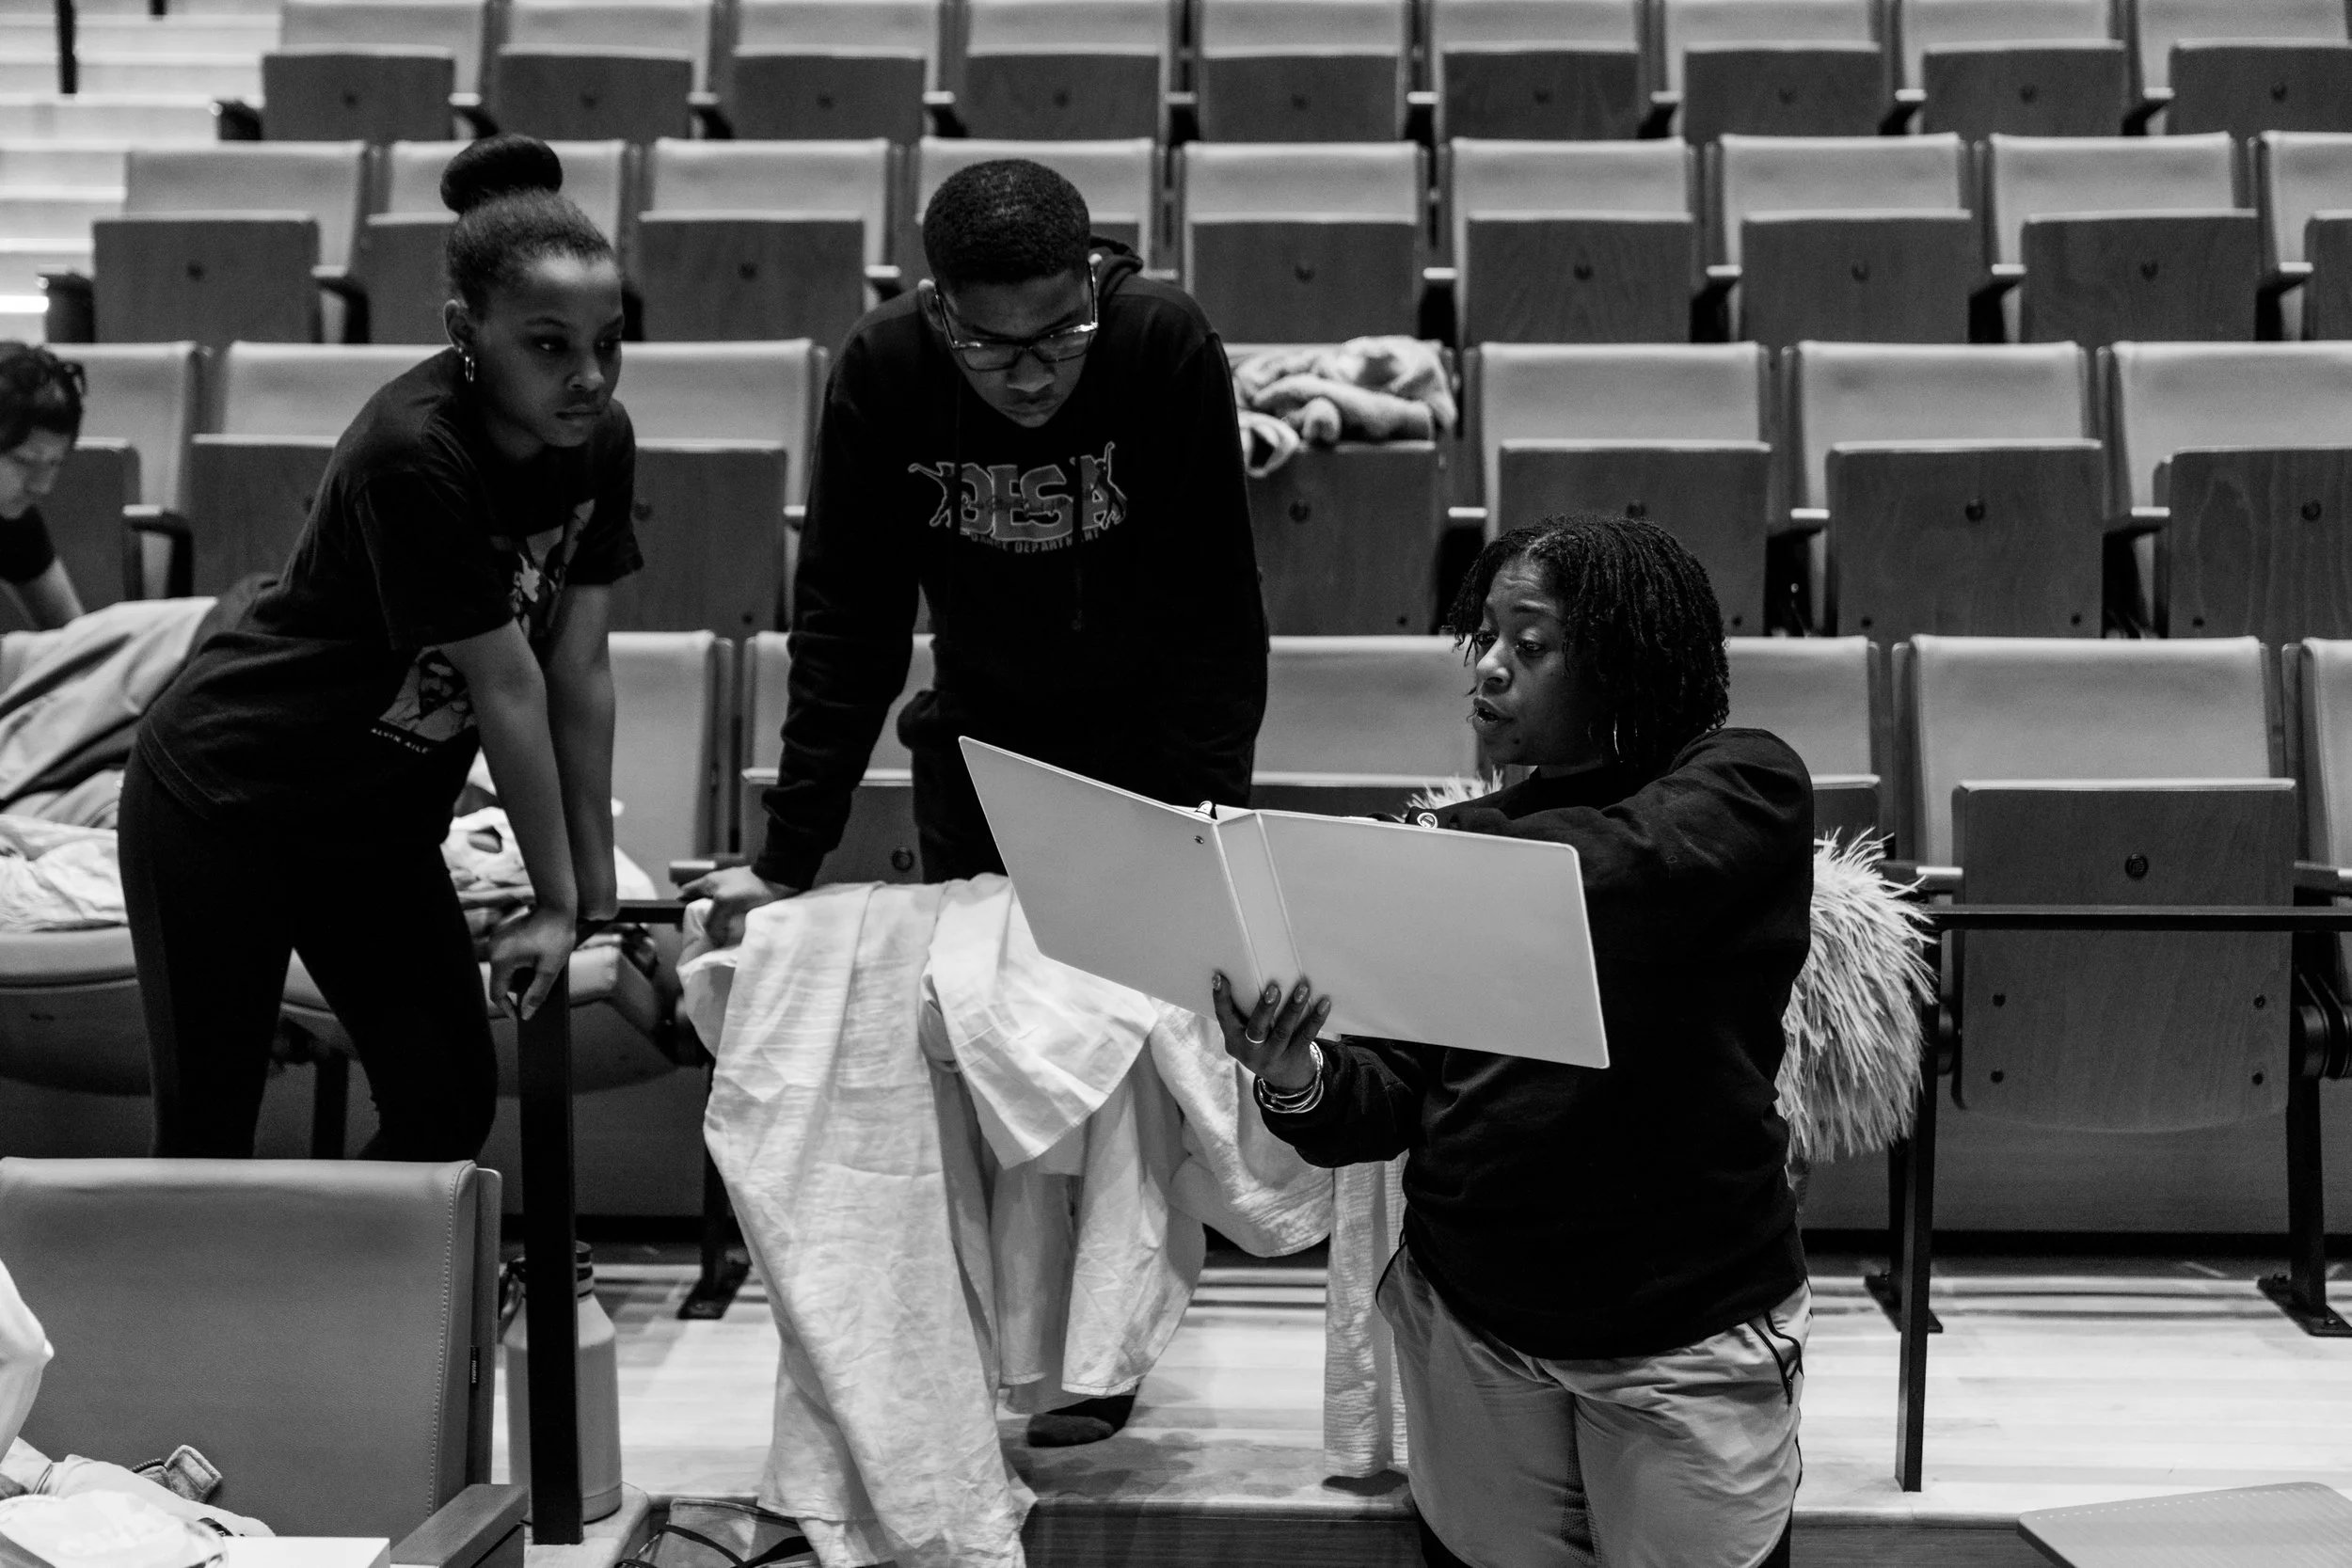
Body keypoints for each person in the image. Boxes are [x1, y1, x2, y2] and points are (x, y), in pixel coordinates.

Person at [1217, 515, 1814, 1568]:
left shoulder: (1745, 787)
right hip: (1474, 1317)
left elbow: (1621, 866)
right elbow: (1389, 1092)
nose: (1487, 667)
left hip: (1682, 1324)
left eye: (1528, 645)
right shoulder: (1465, 847)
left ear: (1624, 657)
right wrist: (1294, 1071)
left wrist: (1425, 856)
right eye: (1484, 638)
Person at [123, 134, 638, 1162]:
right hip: (228, 799)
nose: (588, 376)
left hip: (374, 829)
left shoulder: (600, 440)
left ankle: (344, 1270)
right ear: (464, 332)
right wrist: (549, 898)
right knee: (209, 1130)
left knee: (446, 1105)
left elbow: (578, 670)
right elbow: (508, 685)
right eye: (549, 345)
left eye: (609, 342)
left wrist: (592, 895)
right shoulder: (411, 451)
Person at [0, 344, 91, 631]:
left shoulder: (16, 522)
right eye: (24, 461)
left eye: (55, 464)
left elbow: (72, 638)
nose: (42, 486)